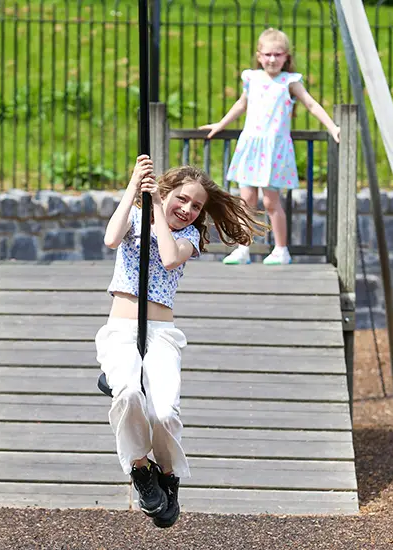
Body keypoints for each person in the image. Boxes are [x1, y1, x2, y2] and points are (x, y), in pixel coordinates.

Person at [97, 155, 265, 528]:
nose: (188, 209)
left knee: (164, 411)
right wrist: (134, 187)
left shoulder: (187, 237)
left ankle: (168, 477)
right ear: (167, 191)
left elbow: (169, 258)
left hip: (160, 334)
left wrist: (157, 205)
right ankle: (142, 471)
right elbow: (110, 239)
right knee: (127, 395)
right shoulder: (135, 221)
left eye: (196, 206)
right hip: (122, 329)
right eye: (181, 199)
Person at [200, 27, 341, 265]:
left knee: (270, 201)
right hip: (251, 146)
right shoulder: (252, 78)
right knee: (246, 200)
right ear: (258, 55)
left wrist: (332, 127)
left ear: (286, 56)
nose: (272, 59)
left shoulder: (290, 82)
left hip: (273, 149)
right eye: (267, 54)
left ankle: (281, 249)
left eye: (277, 54)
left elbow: (311, 105)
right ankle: (243, 247)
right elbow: (241, 105)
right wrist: (221, 124)